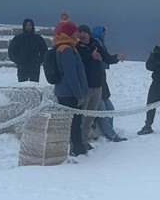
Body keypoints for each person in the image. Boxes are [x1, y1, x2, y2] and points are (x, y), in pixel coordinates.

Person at [51, 21, 89, 156]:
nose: (78, 34)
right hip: (69, 93)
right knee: (74, 122)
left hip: (65, 91)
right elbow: (71, 75)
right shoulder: (66, 49)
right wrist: (79, 95)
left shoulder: (63, 46)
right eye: (75, 32)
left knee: (73, 121)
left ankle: (76, 146)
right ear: (70, 33)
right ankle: (77, 149)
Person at [91, 25, 127, 142]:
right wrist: (115, 58)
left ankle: (109, 132)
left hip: (102, 82)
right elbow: (104, 59)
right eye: (103, 32)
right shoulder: (95, 44)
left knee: (110, 108)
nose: (105, 35)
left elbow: (105, 59)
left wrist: (115, 58)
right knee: (103, 111)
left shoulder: (99, 43)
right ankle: (111, 134)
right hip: (95, 84)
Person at [75, 23, 107, 148]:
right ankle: (78, 142)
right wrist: (91, 56)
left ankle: (85, 140)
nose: (82, 34)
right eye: (80, 32)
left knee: (90, 117)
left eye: (84, 32)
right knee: (81, 116)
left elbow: (106, 57)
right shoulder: (77, 47)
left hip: (97, 86)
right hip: (85, 87)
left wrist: (116, 57)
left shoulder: (96, 44)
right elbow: (79, 61)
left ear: (88, 34)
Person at [8, 18, 48, 83]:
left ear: (32, 26)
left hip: (34, 68)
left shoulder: (38, 38)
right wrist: (18, 61)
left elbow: (45, 52)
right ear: (24, 26)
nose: (28, 26)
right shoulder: (18, 38)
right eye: (27, 25)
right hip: (22, 68)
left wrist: (38, 61)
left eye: (30, 25)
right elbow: (11, 52)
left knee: (34, 89)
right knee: (22, 89)